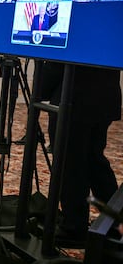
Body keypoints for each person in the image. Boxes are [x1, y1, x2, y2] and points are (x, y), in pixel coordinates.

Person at [38, 62, 122, 246]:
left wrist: (40, 88)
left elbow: (59, 62)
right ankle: (115, 223)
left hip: (74, 99)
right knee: (95, 162)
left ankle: (74, 227)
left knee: (70, 165)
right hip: (103, 97)